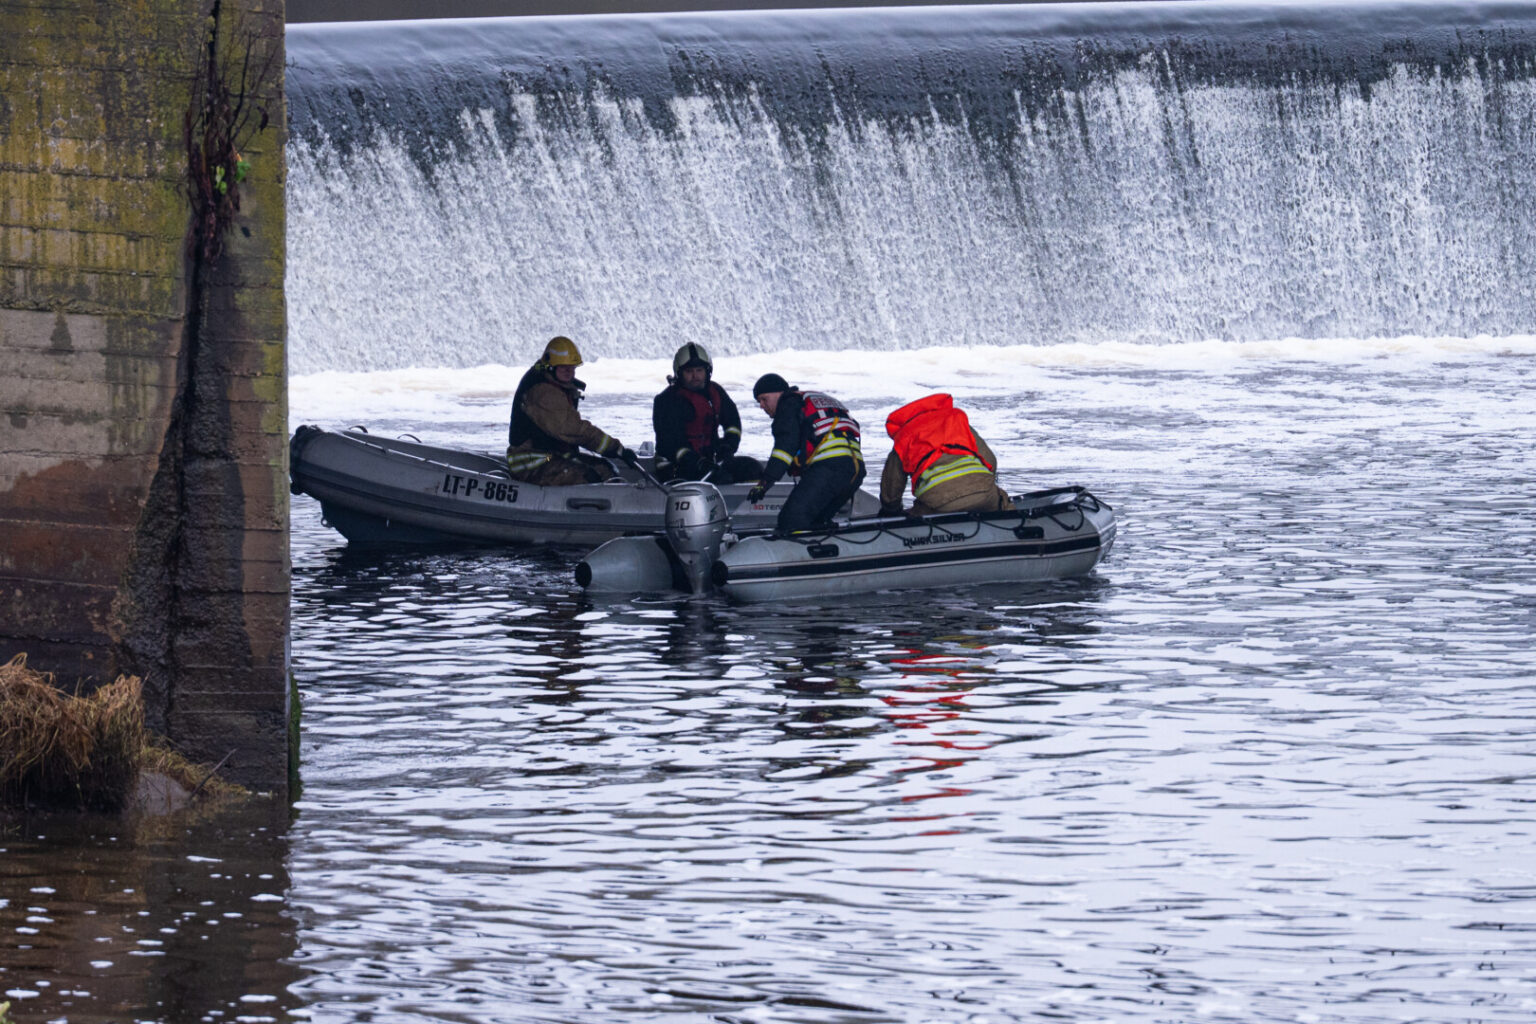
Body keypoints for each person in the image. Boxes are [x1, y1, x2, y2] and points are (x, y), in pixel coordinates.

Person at [745, 373, 866, 533]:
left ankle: (792, 555)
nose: (761, 405)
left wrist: (764, 484)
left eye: (764, 399)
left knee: (791, 520)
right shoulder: (811, 400)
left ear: (779, 393)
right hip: (855, 470)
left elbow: (784, 450)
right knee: (817, 520)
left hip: (829, 468)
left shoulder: (787, 405)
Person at [506, 336, 635, 485]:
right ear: (550, 367)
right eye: (563, 368)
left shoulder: (553, 382)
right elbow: (573, 430)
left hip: (550, 456)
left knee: (605, 470)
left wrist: (617, 451)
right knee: (587, 478)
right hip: (532, 462)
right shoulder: (544, 393)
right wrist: (615, 448)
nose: (569, 372)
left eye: (572, 368)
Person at [879, 393, 1014, 517]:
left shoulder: (904, 437)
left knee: (914, 518)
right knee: (1004, 504)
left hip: (939, 505)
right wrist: (984, 484)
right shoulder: (957, 422)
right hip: (984, 495)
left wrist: (890, 510)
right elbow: (990, 460)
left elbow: (892, 487)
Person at [651, 342, 762, 484]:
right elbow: (670, 444)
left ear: (707, 371)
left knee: (753, 469)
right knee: (722, 479)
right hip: (676, 467)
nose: (695, 376)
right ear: (679, 373)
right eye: (689, 371)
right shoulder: (667, 401)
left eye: (699, 370)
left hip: (709, 461)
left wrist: (728, 446)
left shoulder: (715, 392)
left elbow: (733, 422)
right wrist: (697, 462)